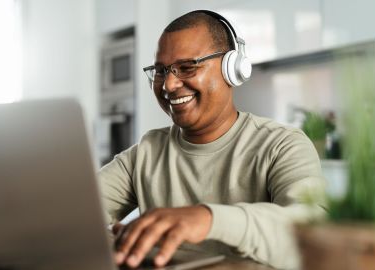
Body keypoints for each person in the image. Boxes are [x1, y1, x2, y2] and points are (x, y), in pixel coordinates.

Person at [98, 10, 326, 269]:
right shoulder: (146, 152)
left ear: (233, 68)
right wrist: (117, 242)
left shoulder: (283, 145)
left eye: (186, 67)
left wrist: (208, 219)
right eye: (161, 71)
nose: (169, 84)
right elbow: (72, 215)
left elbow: (311, 233)